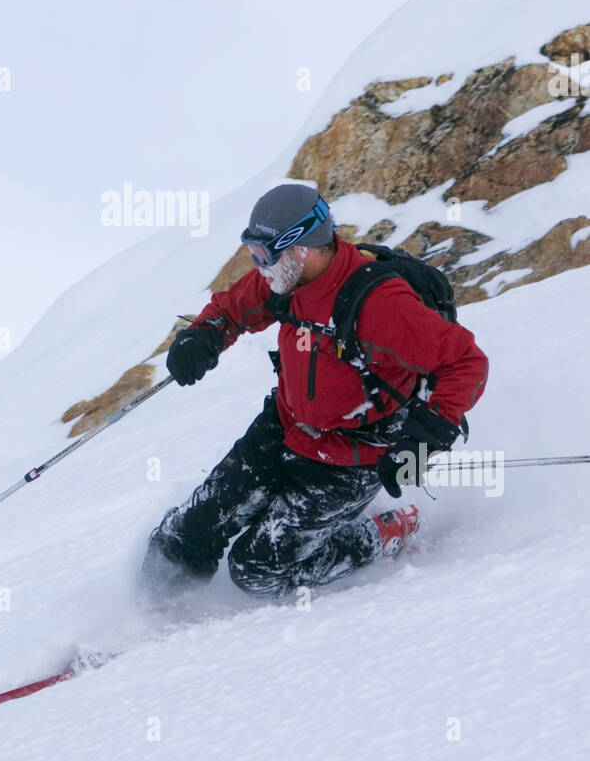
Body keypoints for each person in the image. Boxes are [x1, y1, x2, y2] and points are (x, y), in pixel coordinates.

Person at [140, 183, 489, 601]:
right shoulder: (285, 279)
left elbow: (466, 361)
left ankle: (382, 532)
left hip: (352, 455)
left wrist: (423, 442)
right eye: (253, 253)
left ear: (301, 247)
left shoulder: (380, 304)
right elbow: (233, 307)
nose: (258, 266)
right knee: (186, 533)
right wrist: (203, 335)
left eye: (263, 254)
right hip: (284, 426)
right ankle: (146, 614)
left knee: (256, 571)